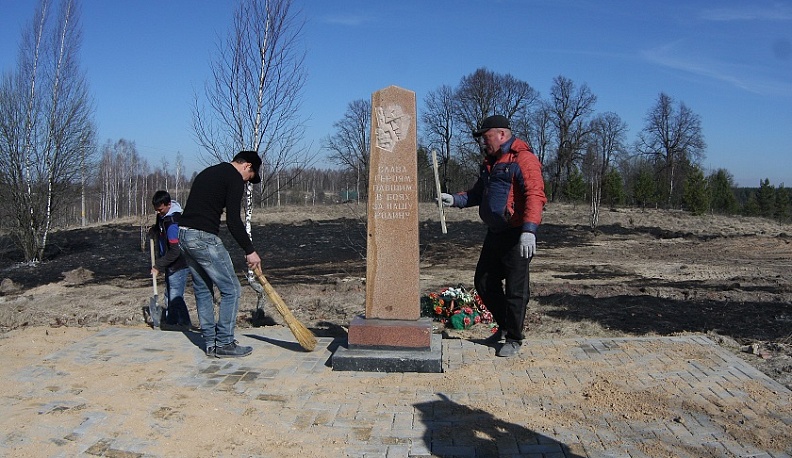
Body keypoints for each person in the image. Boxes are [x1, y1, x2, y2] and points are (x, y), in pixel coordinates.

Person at [440, 115, 547, 357]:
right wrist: (454, 200)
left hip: (517, 233)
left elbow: (535, 195)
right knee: (484, 282)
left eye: (485, 137)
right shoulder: (491, 163)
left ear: (501, 134)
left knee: (516, 290)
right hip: (496, 233)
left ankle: (514, 338)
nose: (482, 143)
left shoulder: (523, 159)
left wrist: (529, 231)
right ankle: (505, 326)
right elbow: (477, 194)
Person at [178, 151, 263, 358]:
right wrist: (250, 251)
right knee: (231, 289)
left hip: (184, 235)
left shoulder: (209, 172)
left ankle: (210, 343)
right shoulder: (234, 178)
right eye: (249, 177)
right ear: (247, 166)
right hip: (202, 238)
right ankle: (224, 342)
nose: (246, 182)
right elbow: (233, 220)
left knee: (203, 289)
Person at [149, 190, 193, 330]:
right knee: (170, 294)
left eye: (160, 210)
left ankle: (183, 323)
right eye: (156, 210)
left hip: (178, 264)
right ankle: (172, 323)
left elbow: (175, 251)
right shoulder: (163, 216)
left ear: (168, 205)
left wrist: (158, 266)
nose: (158, 213)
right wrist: (155, 230)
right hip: (169, 263)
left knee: (175, 296)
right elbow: (160, 227)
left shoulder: (173, 223)